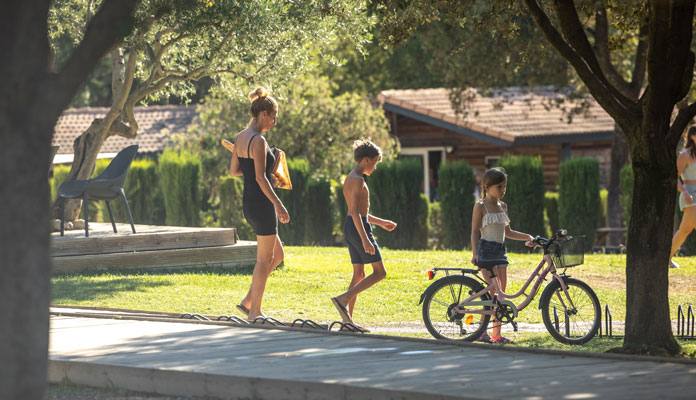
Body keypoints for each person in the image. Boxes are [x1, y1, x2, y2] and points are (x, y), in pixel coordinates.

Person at [228, 86, 290, 322]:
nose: (274, 121)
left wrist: (263, 165)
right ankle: (255, 313)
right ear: (263, 113)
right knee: (264, 260)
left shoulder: (241, 138)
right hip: (263, 204)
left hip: (249, 202)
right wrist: (279, 205)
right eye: (273, 116)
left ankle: (248, 302)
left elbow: (235, 171)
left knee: (278, 256)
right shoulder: (258, 141)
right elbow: (260, 178)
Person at [331, 140, 397, 332]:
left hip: (352, 226)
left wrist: (381, 222)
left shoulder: (352, 177)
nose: (375, 167)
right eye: (375, 162)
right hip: (358, 228)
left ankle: (347, 322)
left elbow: (360, 213)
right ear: (366, 160)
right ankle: (342, 300)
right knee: (380, 272)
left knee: (359, 274)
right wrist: (366, 239)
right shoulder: (358, 180)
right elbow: (354, 212)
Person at [470, 167, 534, 344]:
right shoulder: (480, 206)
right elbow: (475, 231)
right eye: (499, 186)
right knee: (492, 293)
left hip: (500, 251)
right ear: (487, 186)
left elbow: (508, 232)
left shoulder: (503, 206)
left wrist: (528, 237)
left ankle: (496, 335)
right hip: (486, 251)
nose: (503, 190)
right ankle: (483, 332)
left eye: (504, 186)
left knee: (501, 296)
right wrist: (475, 253)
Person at [669, 125, 696, 269]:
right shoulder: (685, 155)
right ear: (692, 136)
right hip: (691, 195)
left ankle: (666, 258)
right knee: (685, 229)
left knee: (685, 230)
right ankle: (666, 258)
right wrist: (684, 192)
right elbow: (674, 176)